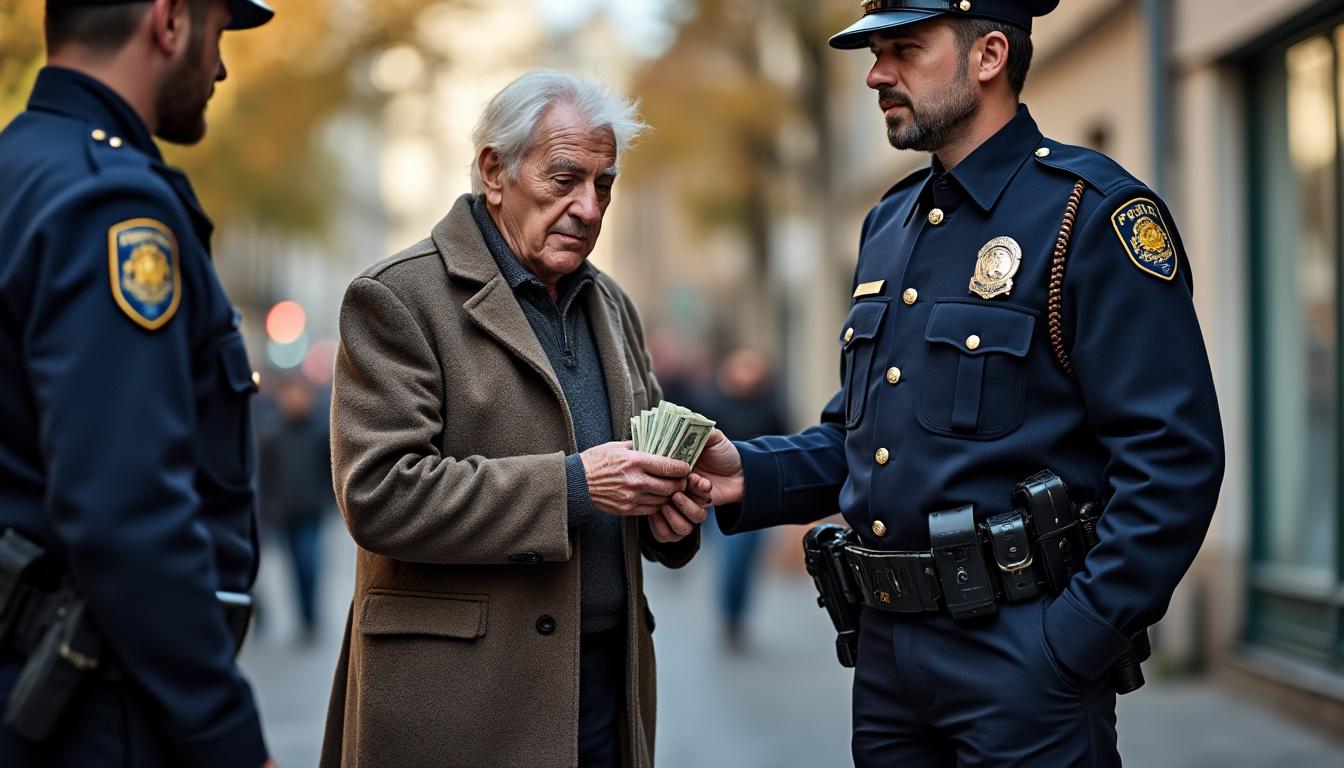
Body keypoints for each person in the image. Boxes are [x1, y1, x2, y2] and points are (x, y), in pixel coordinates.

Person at [691, 1, 1225, 765]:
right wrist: (745, 472)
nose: (877, 73)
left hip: (1024, 664)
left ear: (989, 56)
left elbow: (1173, 459)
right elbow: (862, 440)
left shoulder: (1089, 212)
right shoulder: (889, 223)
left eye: (905, 48)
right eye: (875, 52)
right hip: (886, 664)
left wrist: (1071, 642)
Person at [322, 71, 710, 768]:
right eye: (564, 178)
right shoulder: (397, 297)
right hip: (458, 703)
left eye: (604, 185)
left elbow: (638, 482)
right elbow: (379, 494)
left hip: (602, 694)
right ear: (494, 172)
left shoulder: (611, 304)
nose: (588, 207)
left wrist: (669, 517)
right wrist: (570, 487)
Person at [0, 1, 277, 767]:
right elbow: (127, 510)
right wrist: (227, 736)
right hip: (90, 713)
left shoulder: (21, 166)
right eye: (219, 34)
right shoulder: (111, 202)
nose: (220, 67)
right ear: (168, 20)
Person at [704, 347, 788, 652]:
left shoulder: (769, 406)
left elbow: (784, 440)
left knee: (748, 561)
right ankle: (729, 617)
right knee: (730, 558)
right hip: (723, 499)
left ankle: (739, 616)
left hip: (759, 496)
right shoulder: (715, 403)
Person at [259, 375, 332, 647]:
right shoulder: (273, 436)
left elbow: (330, 471)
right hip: (285, 512)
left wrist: (329, 500)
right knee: (295, 568)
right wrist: (268, 504)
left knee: (309, 563)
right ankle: (304, 619)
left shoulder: (319, 432)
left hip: (312, 511)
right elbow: (266, 475)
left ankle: (311, 618)